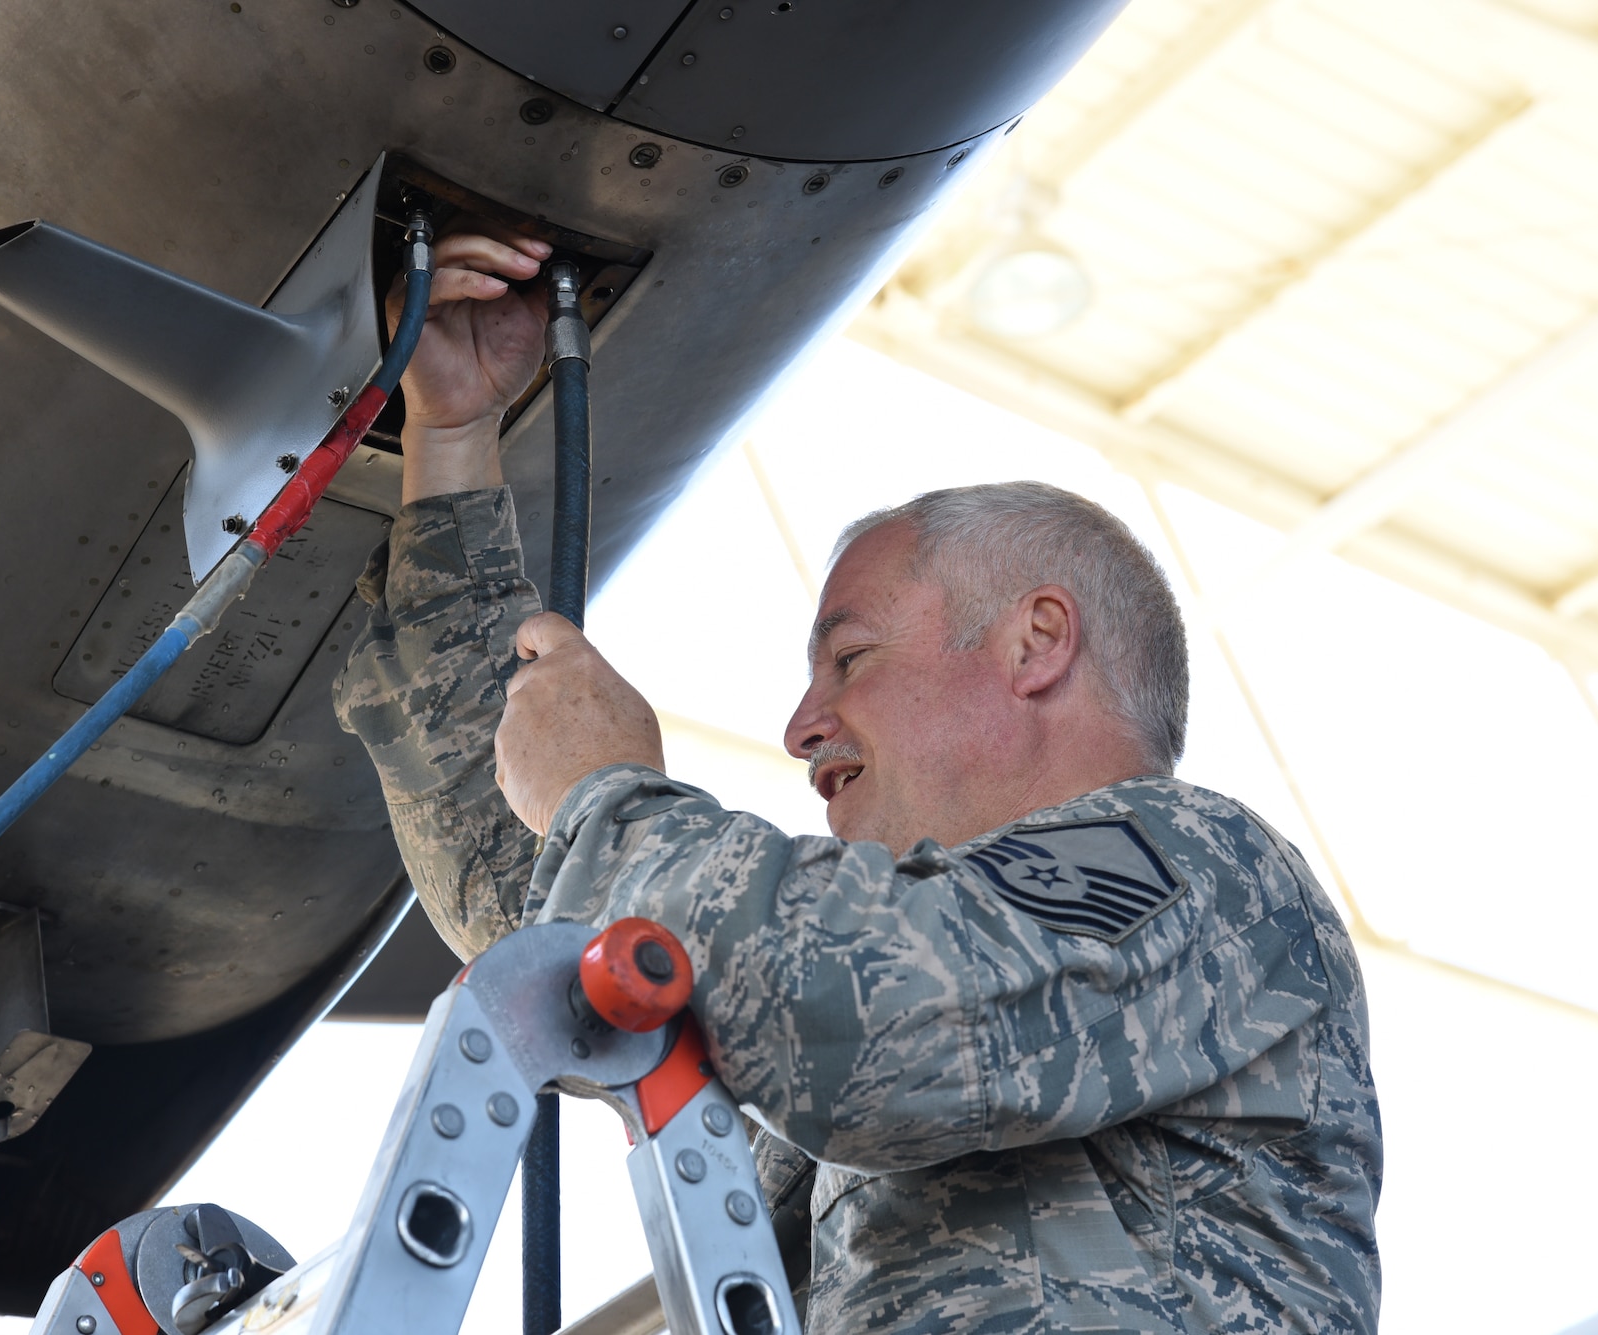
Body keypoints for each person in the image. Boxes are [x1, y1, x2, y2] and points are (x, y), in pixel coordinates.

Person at [334, 231, 1383, 1333]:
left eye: (852, 660)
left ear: (1034, 645)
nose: (801, 725)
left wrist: (604, 790)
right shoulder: (893, 997)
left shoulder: (1200, 871)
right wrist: (450, 442)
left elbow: (849, 1011)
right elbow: (547, 911)